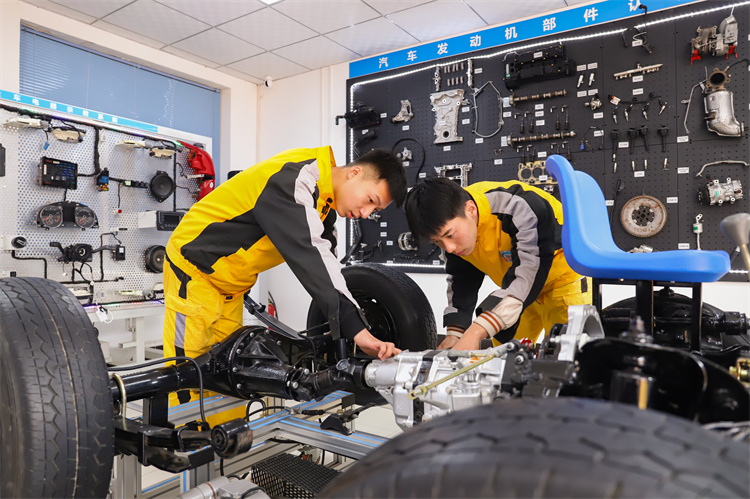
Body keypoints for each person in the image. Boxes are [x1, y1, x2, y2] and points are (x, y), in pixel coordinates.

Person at [163, 147, 406, 403]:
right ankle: (185, 427)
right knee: (190, 373)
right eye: (370, 200)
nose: (366, 214)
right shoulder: (294, 180)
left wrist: (353, 325)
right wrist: (359, 332)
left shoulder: (323, 205)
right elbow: (312, 260)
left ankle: (228, 429)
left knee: (230, 371)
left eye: (375, 209)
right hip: (194, 271)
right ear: (354, 173)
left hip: (230, 286)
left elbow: (329, 269)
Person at [405, 177, 591, 350]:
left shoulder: (521, 206)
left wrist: (476, 332)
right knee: (501, 357)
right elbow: (462, 279)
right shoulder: (455, 223)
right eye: (437, 241)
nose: (449, 247)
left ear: (471, 209)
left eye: (450, 235)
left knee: (567, 356)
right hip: (515, 290)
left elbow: (529, 273)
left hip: (563, 285)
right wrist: (456, 333)